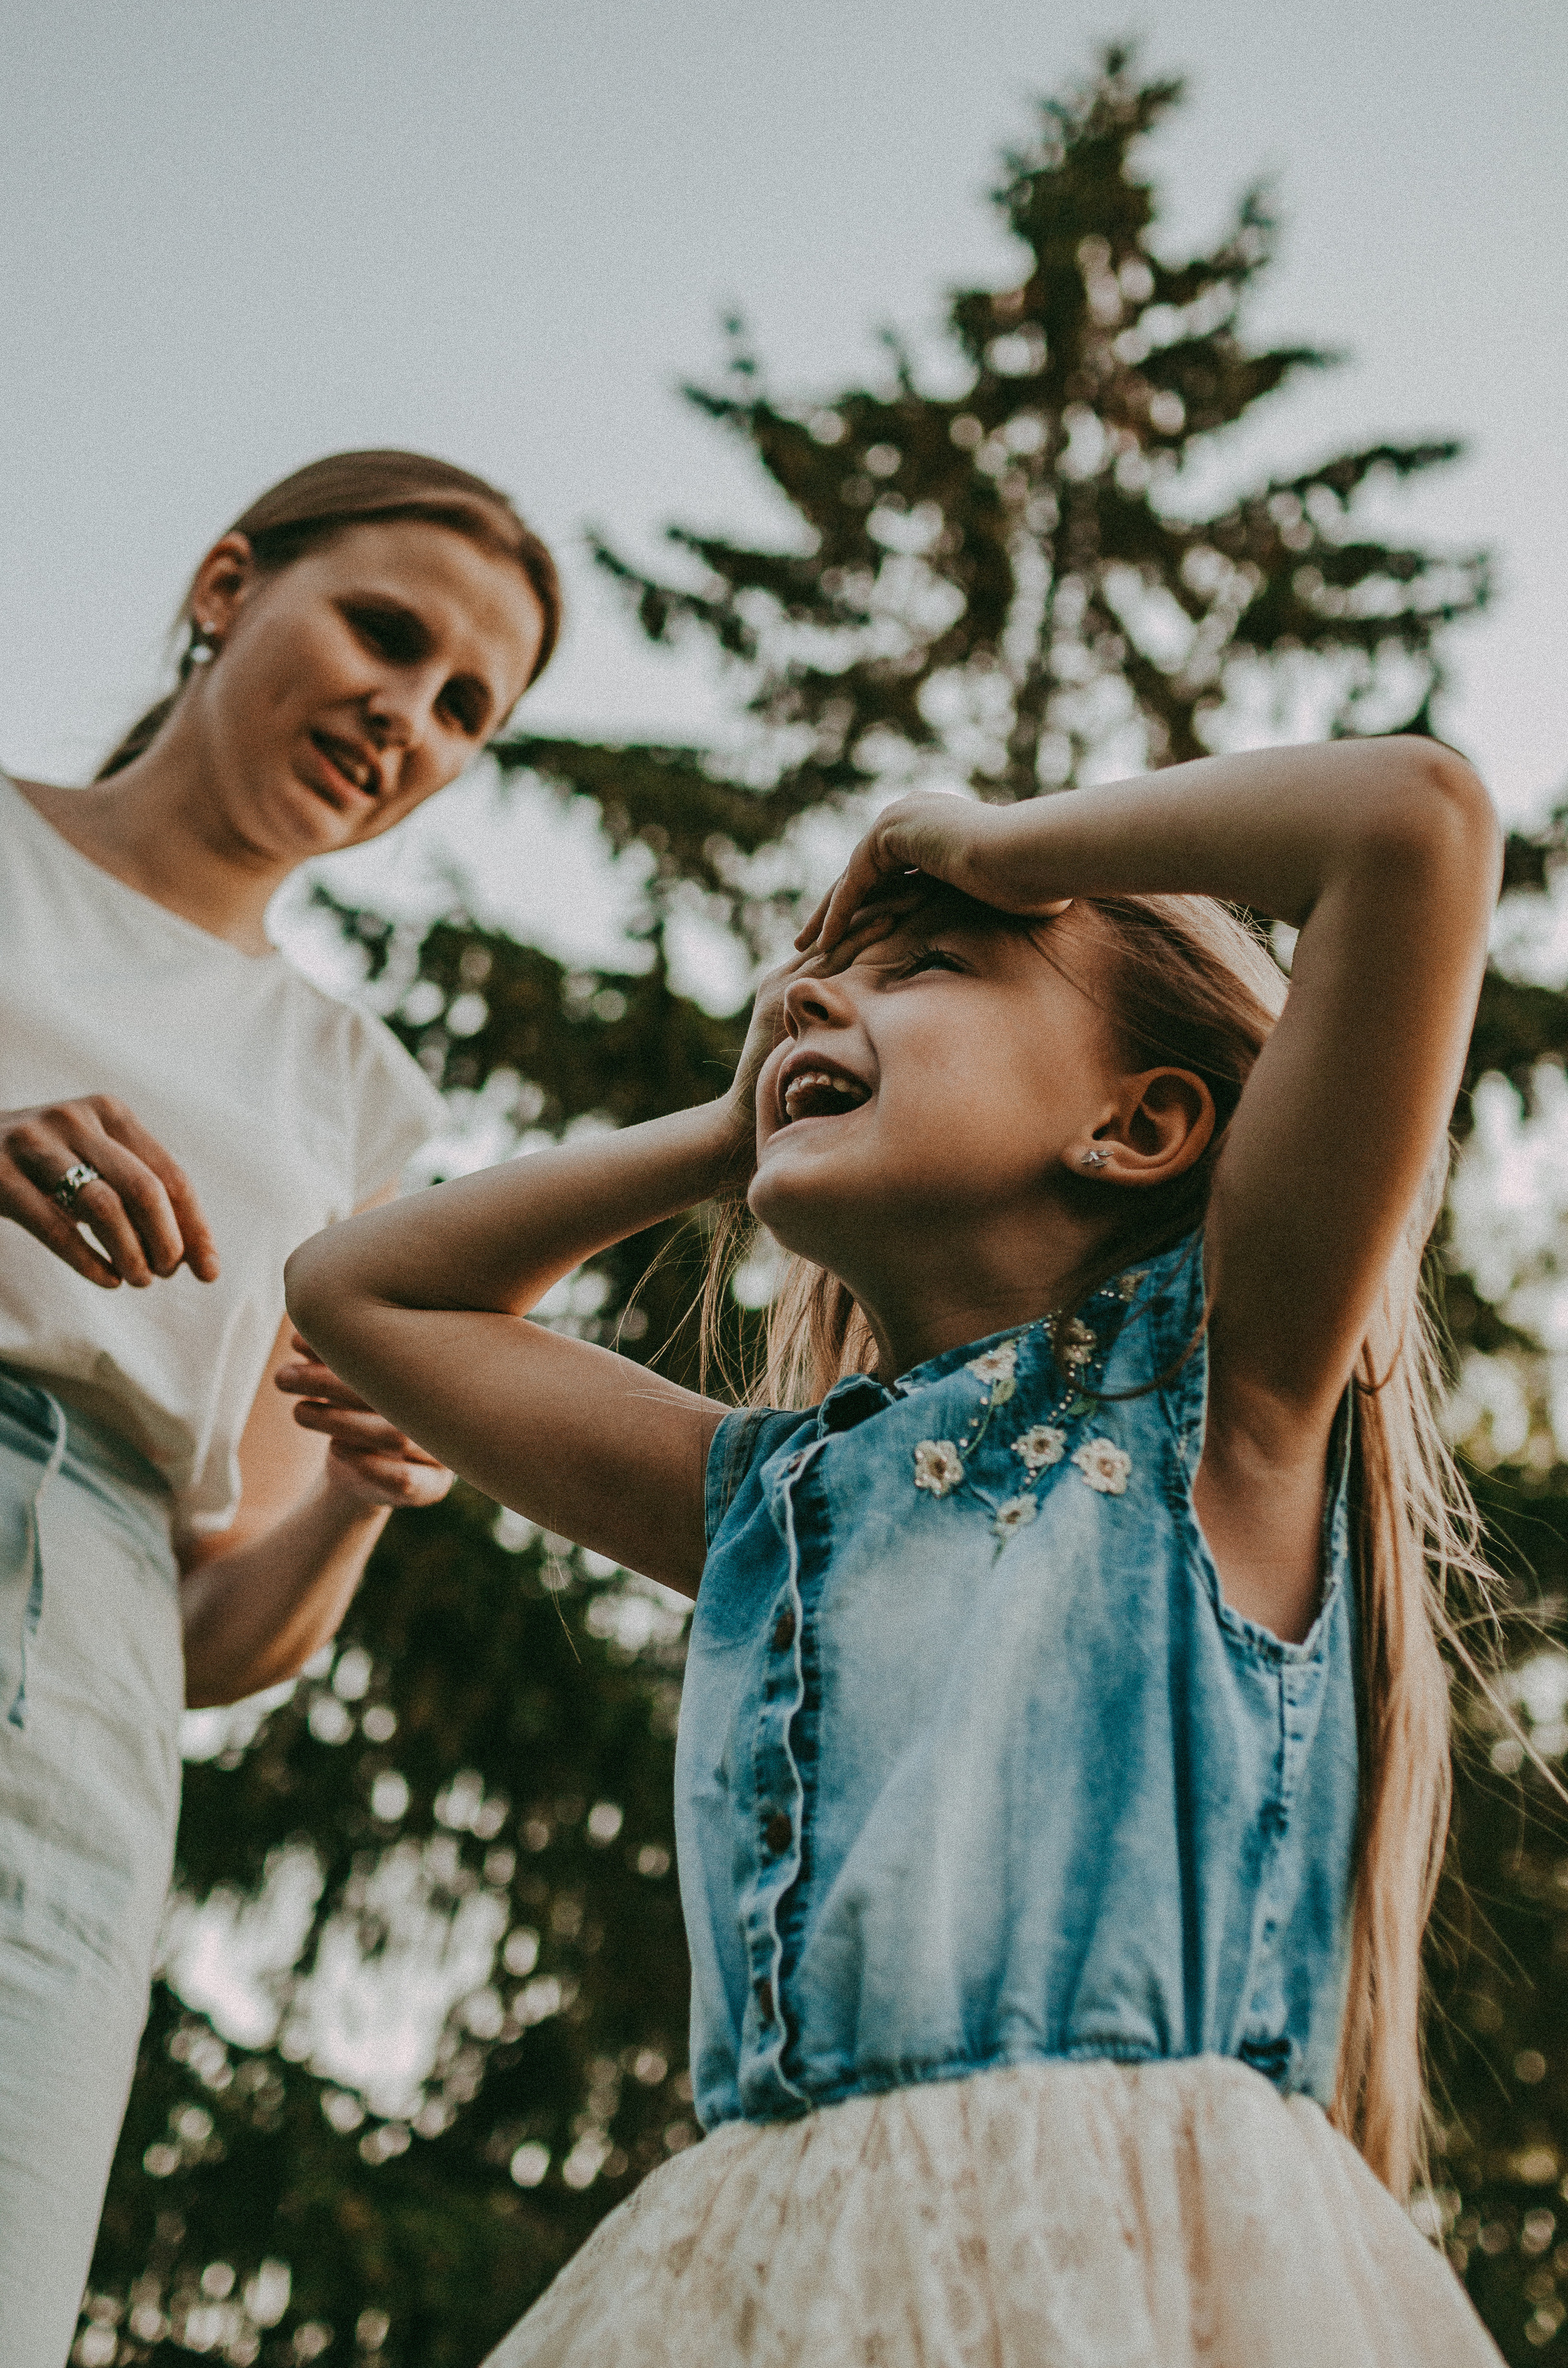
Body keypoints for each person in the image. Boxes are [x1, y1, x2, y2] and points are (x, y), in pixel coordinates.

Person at [286, 737, 1506, 2366]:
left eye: (926, 966)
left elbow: (1410, 826)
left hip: (1136, 2270)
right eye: (807, 983)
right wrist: (728, 1129)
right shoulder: (763, 1500)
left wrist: (993, 844)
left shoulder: (1224, 1397)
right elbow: (358, 1291)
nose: (806, 1000)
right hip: (776, 2280)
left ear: (1141, 1124)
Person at [0, 450, 560, 2368]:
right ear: (228, 583)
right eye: (386, 634)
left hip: (80, 1701)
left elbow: (212, 1628)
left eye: (464, 706)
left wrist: (367, 1491)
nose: (409, 717)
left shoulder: (359, 1096)